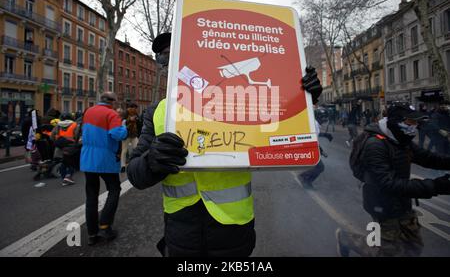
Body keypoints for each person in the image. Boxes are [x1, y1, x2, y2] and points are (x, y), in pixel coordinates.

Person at [126, 32, 323, 257]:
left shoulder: (238, 101)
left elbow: (279, 124)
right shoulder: (156, 112)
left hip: (234, 236)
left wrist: (304, 97)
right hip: (181, 237)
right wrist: (151, 161)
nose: (172, 61)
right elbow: (135, 174)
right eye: (166, 57)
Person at [336, 101, 450, 257]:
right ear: (397, 122)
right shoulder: (375, 145)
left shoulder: (401, 138)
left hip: (402, 201)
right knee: (387, 251)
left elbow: (427, 158)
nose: (414, 126)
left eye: (416, 122)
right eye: (411, 122)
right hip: (381, 204)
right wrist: (437, 186)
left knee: (413, 246)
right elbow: (387, 183)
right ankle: (347, 238)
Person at [80, 92, 128, 245]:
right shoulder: (111, 114)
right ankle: (105, 225)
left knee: (91, 195)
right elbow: (117, 134)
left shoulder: (89, 111)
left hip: (88, 158)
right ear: (112, 102)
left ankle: (92, 234)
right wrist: (124, 128)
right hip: (105, 158)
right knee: (114, 189)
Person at [298, 114, 333, 189]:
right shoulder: (315, 124)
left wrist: (325, 135)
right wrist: (321, 151)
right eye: (324, 120)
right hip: (307, 147)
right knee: (320, 167)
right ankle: (304, 177)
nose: (324, 122)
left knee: (318, 166)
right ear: (320, 118)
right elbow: (313, 140)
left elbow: (316, 135)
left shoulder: (314, 123)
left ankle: (306, 181)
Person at [51, 113, 81, 186]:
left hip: (59, 147)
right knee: (71, 163)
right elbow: (77, 136)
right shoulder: (75, 125)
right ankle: (68, 176)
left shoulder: (58, 125)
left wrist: (56, 141)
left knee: (63, 163)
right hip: (70, 147)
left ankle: (64, 177)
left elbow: (52, 136)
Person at [120, 102, 140, 172]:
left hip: (134, 134)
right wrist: (130, 120)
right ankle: (122, 166)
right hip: (126, 134)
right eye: (135, 108)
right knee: (124, 150)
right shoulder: (126, 112)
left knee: (136, 148)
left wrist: (137, 120)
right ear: (132, 108)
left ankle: (134, 163)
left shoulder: (135, 114)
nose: (136, 110)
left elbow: (138, 123)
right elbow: (122, 121)